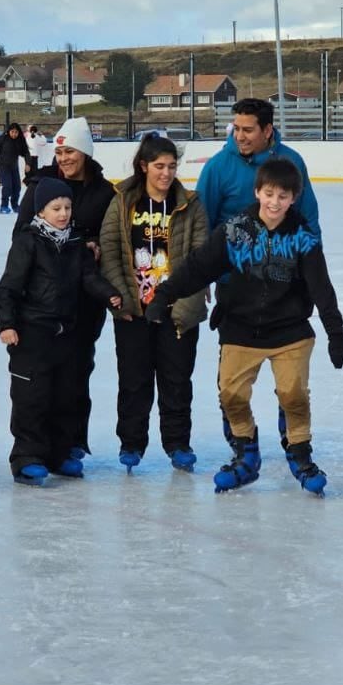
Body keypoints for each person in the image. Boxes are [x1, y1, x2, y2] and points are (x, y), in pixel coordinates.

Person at [145, 158, 343, 496]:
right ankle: (246, 454)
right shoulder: (235, 230)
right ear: (257, 192)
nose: (274, 203)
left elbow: (321, 288)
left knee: (293, 393)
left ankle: (300, 454)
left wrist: (336, 332)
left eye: (283, 197)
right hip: (240, 327)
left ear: (294, 198)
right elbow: (198, 267)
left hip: (290, 330)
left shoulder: (303, 238)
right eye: (268, 194)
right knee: (231, 394)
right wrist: (164, 295)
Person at [0, 179, 121, 486]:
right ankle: (27, 457)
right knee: (31, 397)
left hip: (67, 332)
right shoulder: (28, 241)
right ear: (41, 211)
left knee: (66, 396)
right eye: (56, 208)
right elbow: (8, 287)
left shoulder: (76, 241)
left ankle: (59, 454)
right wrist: (7, 324)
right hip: (33, 332)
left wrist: (109, 294)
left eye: (67, 207)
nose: (63, 214)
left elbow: (88, 277)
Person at [99, 135, 208, 473]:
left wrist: (186, 302)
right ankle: (131, 443)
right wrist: (123, 298)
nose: (166, 173)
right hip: (134, 309)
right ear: (144, 166)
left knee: (177, 380)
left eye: (172, 166)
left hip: (177, 309)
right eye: (159, 166)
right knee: (134, 380)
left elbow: (200, 257)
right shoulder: (123, 202)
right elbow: (111, 250)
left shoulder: (191, 204)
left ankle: (178, 443)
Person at [14, 116, 116, 456]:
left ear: (85, 152)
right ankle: (36, 448)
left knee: (75, 376)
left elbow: (114, 237)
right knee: (39, 382)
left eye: (70, 151)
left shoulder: (104, 193)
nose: (64, 159)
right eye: (59, 153)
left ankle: (71, 443)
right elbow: (22, 237)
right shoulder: (41, 186)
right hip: (41, 305)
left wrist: (96, 245)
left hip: (83, 302)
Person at [195, 97, 320, 238]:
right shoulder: (217, 166)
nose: (239, 137)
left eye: (247, 130)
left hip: (281, 255)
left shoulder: (292, 161)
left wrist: (313, 256)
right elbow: (200, 223)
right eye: (236, 129)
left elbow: (308, 216)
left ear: (267, 131)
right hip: (231, 256)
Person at [0, 122, 31, 214]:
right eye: (12, 132)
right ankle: (4, 206)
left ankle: (15, 205)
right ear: (9, 132)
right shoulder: (3, 138)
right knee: (7, 186)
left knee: (17, 187)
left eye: (16, 132)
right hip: (2, 165)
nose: (14, 134)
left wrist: (28, 163)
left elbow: (26, 152)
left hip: (13, 166)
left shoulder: (20, 140)